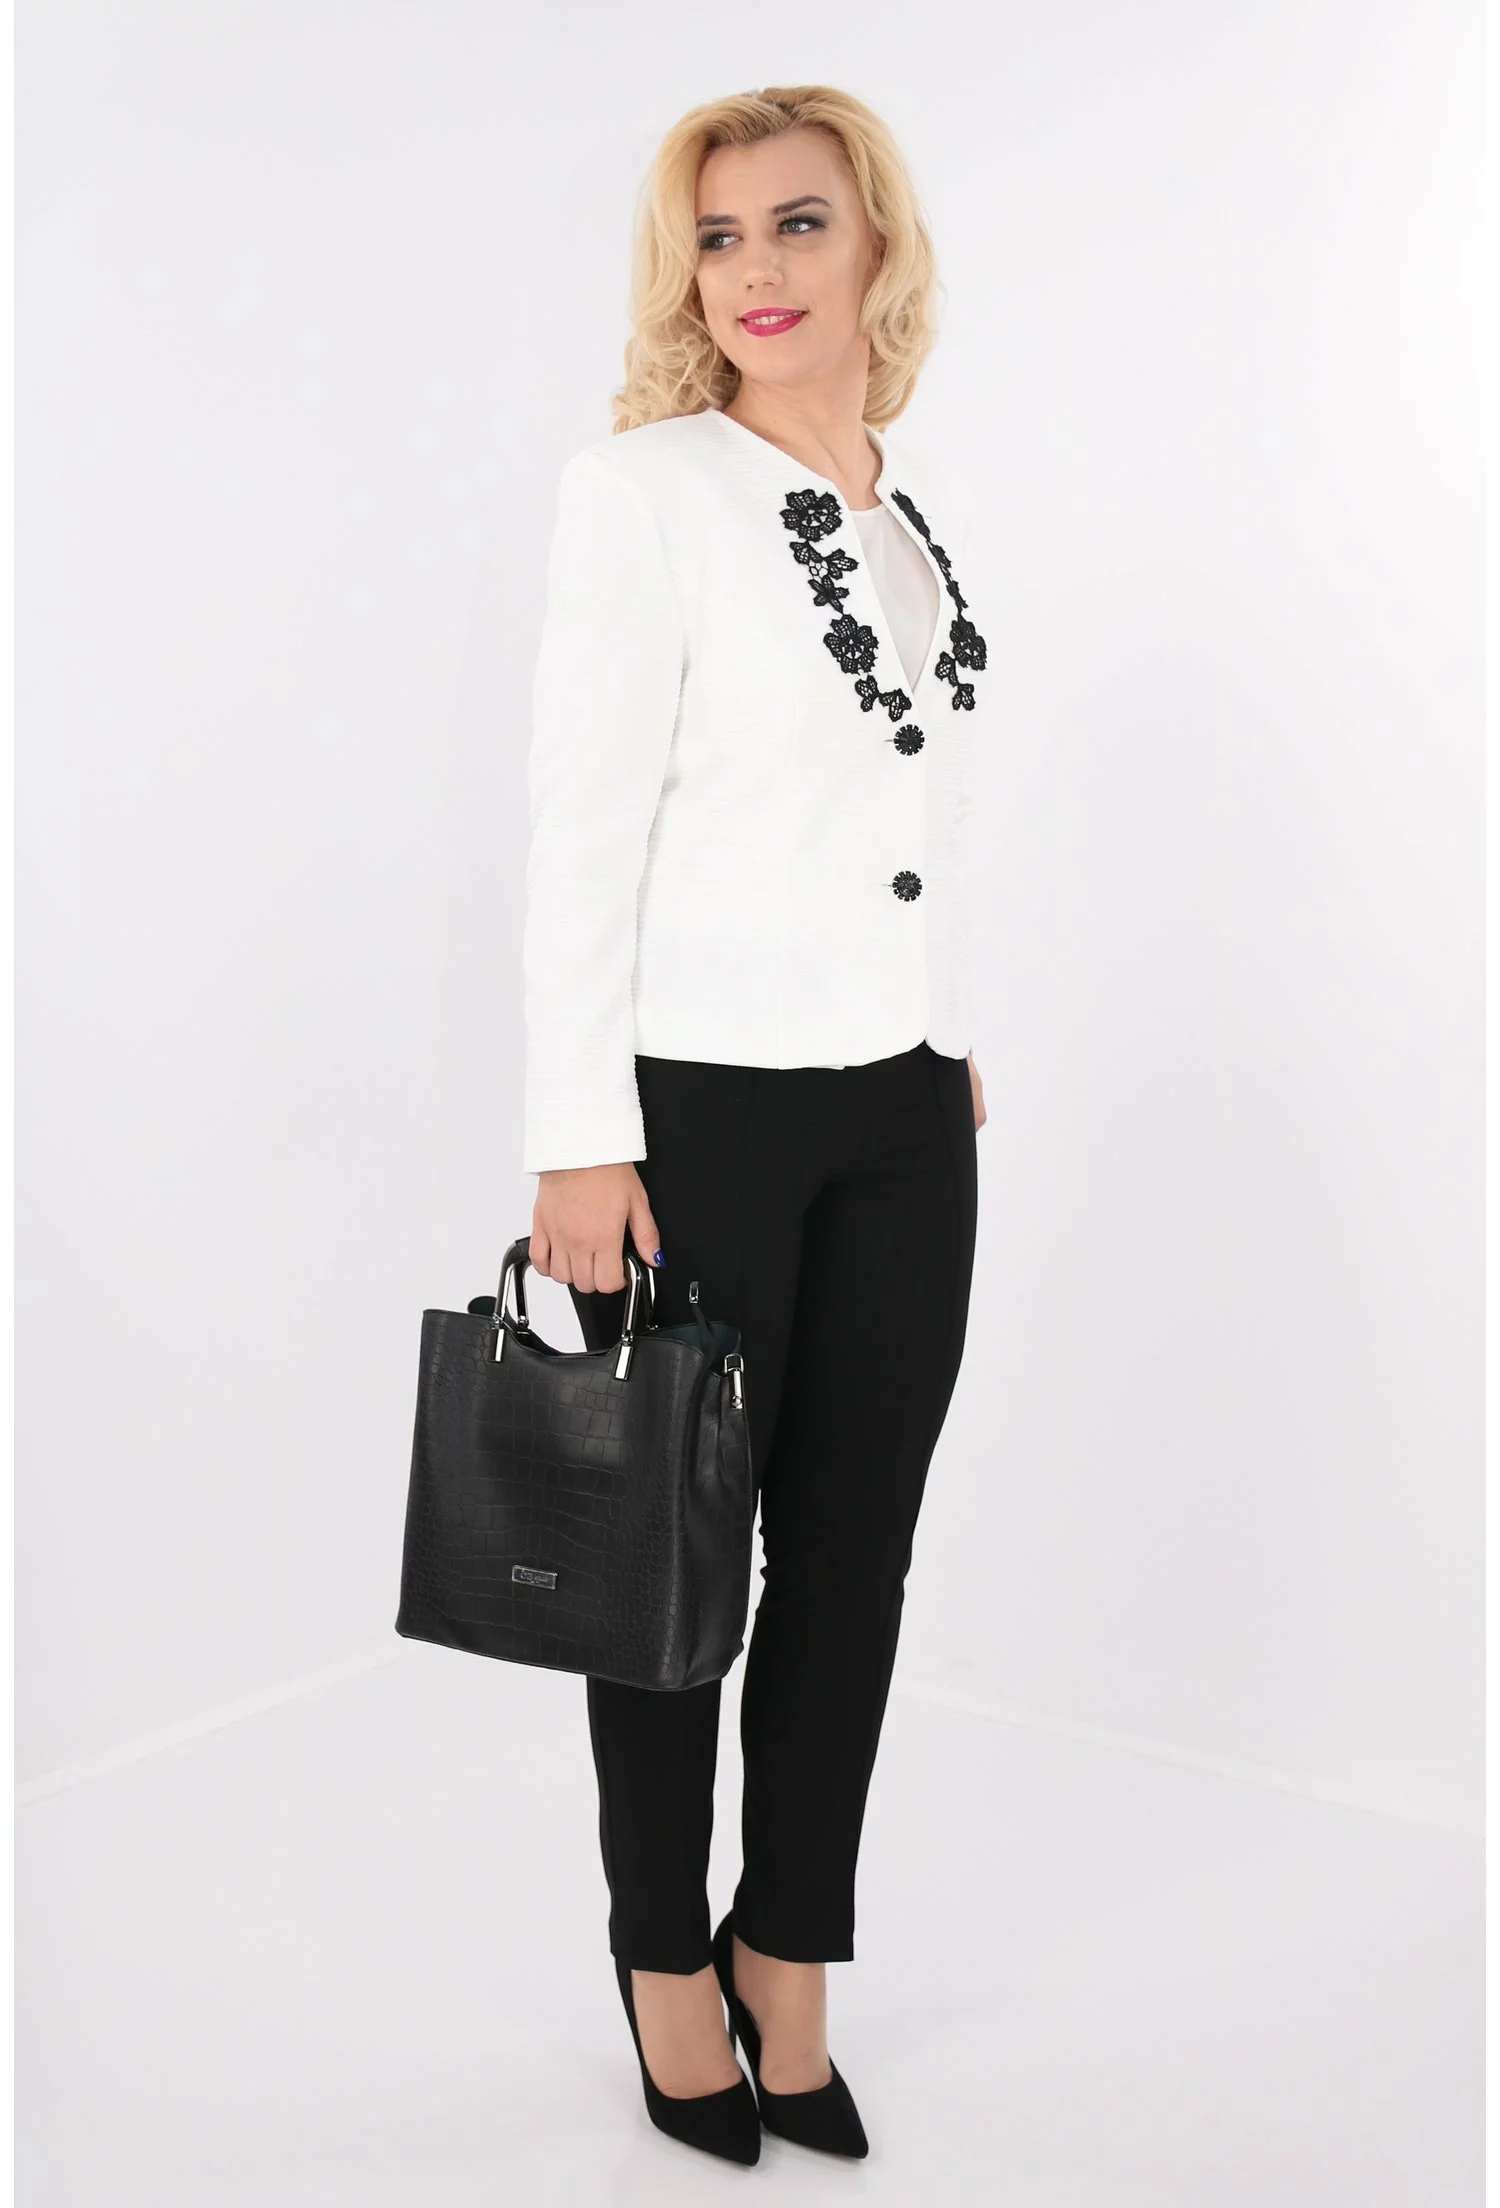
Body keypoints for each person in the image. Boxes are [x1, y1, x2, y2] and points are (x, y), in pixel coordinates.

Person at [520, 82, 989, 2165]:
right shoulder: (643, 496)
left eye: (799, 223)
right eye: (719, 237)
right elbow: (582, 832)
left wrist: (943, 1037)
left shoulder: (900, 505)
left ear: (877, 243)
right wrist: (577, 1137)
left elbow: (899, 811)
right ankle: (660, 1968)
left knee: (855, 1560)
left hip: (902, 1114)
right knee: (674, 1572)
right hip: (696, 1114)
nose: (758, 271)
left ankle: (788, 1952)